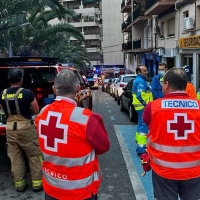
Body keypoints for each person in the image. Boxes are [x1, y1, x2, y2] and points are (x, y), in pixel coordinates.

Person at [35, 69, 110, 200]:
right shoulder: (87, 118)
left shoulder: (42, 113)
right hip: (81, 191)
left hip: (51, 188)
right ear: (78, 89)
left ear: (54, 89)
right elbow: (103, 147)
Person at [143, 68, 200, 199]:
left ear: (167, 84)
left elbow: (148, 124)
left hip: (164, 170)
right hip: (194, 170)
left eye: (162, 82)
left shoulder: (153, 107)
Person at [0, 68, 42, 192]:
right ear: (21, 79)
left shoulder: (2, 94)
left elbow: (3, 109)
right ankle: (37, 184)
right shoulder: (28, 93)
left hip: (10, 128)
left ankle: (19, 185)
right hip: (26, 128)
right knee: (34, 156)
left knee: (15, 158)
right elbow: (36, 111)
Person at [132, 64, 153, 155]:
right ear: (139, 72)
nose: (147, 72)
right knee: (143, 127)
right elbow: (139, 95)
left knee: (141, 125)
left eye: (146, 70)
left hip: (139, 107)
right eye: (144, 71)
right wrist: (146, 105)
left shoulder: (139, 80)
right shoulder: (141, 81)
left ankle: (139, 144)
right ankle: (141, 149)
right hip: (142, 107)